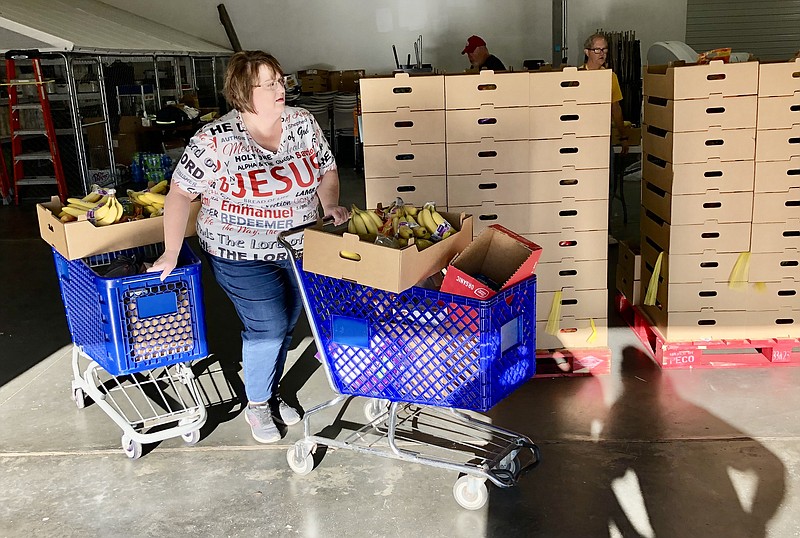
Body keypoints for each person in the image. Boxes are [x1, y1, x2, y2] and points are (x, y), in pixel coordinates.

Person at [149, 50, 349, 444]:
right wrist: (171, 250)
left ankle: (270, 392)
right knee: (269, 324)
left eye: (280, 79)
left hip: (298, 244)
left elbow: (327, 169)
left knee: (289, 318)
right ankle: (257, 405)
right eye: (269, 83)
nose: (281, 87)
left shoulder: (301, 122)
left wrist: (329, 204)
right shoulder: (216, 139)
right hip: (238, 251)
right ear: (243, 92)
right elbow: (179, 194)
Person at [583, 33, 629, 155]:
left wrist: (623, 137)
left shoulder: (610, 77)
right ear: (587, 52)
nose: (602, 53)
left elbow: (616, 108)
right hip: (581, 133)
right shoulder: (578, 76)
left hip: (603, 134)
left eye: (604, 49)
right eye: (597, 50)